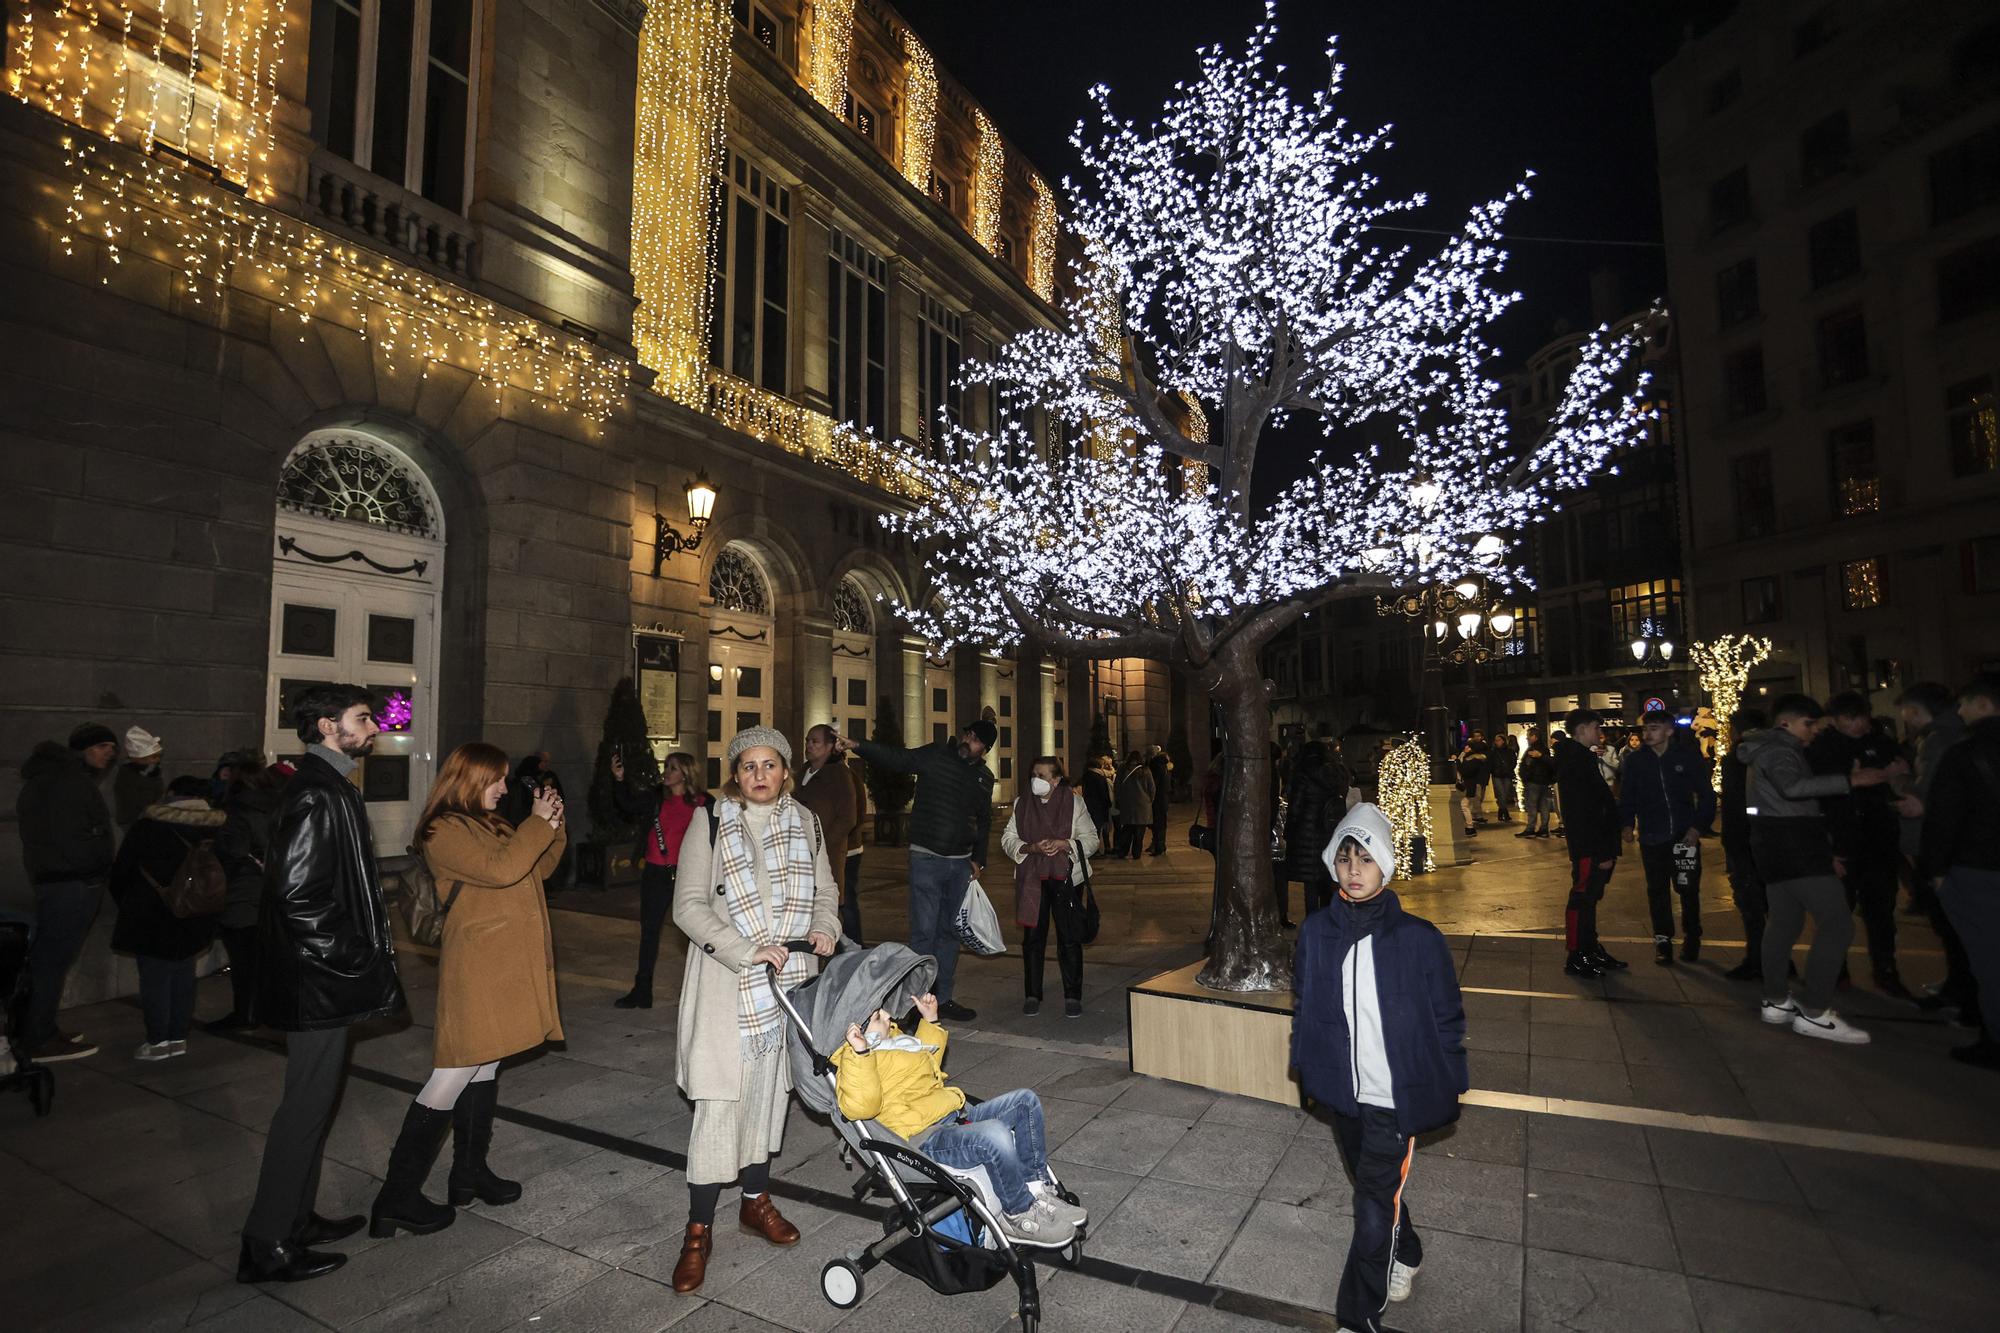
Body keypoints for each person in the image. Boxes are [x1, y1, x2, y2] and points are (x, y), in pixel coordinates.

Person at [239, 684, 404, 1284]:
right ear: (330, 726)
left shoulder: (326, 785)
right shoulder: (316, 792)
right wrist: (350, 955)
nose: (376, 729)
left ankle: (294, 1218)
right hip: (318, 981)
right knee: (304, 1110)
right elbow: (297, 895)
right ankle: (267, 1242)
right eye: (365, 719)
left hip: (319, 977)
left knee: (315, 1104)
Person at [370, 743, 569, 1239]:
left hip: (505, 964)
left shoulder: (494, 824)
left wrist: (555, 825)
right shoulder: (443, 830)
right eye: (495, 780)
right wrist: (537, 825)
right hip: (478, 966)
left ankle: (468, 1174)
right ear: (468, 779)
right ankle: (395, 1197)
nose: (504, 789)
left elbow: (535, 869)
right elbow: (502, 870)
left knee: (485, 1065)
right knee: (453, 1071)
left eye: (505, 780)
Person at [669, 726, 839, 1293]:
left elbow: (826, 890)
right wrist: (746, 952)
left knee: (770, 1098)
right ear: (735, 775)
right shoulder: (710, 821)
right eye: (748, 766)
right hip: (729, 984)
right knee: (719, 1107)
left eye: (770, 765)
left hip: (790, 983)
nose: (760, 775)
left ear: (786, 771)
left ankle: (754, 1201)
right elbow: (688, 906)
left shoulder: (807, 822)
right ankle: (697, 1230)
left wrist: (826, 927)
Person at [1291, 804, 1467, 1331]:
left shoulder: (1418, 937)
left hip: (1395, 1096)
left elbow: (1447, 1015)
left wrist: (1449, 1079)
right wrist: (1308, 1067)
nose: (1353, 869)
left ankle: (1357, 1317)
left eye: (1364, 858)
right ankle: (1407, 1250)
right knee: (1378, 1191)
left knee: (1370, 1206)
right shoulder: (1318, 931)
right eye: (1345, 857)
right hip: (1344, 1094)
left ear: (1384, 865)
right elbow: (1306, 1005)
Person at [832, 992, 1086, 1245]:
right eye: (878, 1016)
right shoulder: (855, 1062)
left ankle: (1035, 1190)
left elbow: (926, 1071)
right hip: (926, 1137)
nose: (888, 1016)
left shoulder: (894, 1040)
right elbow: (861, 1107)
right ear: (859, 1031)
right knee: (994, 1134)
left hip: (953, 1114)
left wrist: (930, 1022)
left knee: (1025, 1101)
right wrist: (860, 1054)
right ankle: (1017, 1215)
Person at [1737, 695, 1892, 1045]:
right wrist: (1851, 781)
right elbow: (1793, 790)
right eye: (1809, 724)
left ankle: (1776, 1000)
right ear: (1786, 723)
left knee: (1784, 923)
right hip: (1794, 847)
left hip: (1777, 845)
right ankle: (1815, 1011)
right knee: (1837, 923)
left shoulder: (1770, 747)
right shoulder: (1779, 749)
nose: (1813, 732)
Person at [841, 720, 994, 1021]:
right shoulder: (936, 754)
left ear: (985, 749)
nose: (967, 741)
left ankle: (943, 998)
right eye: (967, 733)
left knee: (950, 933)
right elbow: (898, 758)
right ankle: (914, 1002)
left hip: (960, 863)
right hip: (927, 859)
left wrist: (979, 859)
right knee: (924, 932)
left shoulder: (984, 778)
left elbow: (985, 819)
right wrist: (858, 745)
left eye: (975, 740)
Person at [15, 721, 120, 1063]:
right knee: (51, 962)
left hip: (62, 880)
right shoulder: (67, 782)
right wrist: (98, 863)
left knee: (50, 961)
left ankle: (38, 1027)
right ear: (84, 749)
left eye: (112, 747)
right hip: (72, 882)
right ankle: (39, 1036)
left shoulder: (52, 780)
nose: (110, 753)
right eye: (104, 746)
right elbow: (71, 837)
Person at [108, 775, 223, 1060]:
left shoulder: (149, 826)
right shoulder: (217, 828)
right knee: (184, 974)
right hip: (197, 912)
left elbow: (121, 871)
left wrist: (129, 902)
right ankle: (178, 1037)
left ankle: (158, 1040)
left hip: (152, 912)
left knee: (155, 977)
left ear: (171, 793)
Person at [1810, 693, 1912, 999]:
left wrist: (1893, 780)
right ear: (1835, 719)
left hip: (1879, 838)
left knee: (1881, 910)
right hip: (1839, 839)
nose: (1857, 725)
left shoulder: (1881, 742)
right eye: (1849, 718)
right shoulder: (1822, 747)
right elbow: (1815, 791)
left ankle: (1885, 969)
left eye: (1861, 718)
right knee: (1836, 913)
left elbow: (1901, 776)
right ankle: (1835, 970)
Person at [1921, 673, 2000, 1067]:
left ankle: (1994, 1038)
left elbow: (1943, 817)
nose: (1961, 712)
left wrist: (1935, 869)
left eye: (1966, 704)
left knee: (1988, 958)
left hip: (1976, 867)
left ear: (1985, 705)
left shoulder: (1964, 752)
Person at [1896, 682, 1975, 1018]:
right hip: (1966, 845)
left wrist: (1896, 780)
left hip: (1945, 846)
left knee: (1953, 926)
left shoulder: (1938, 740)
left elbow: (1921, 800)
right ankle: (1962, 988)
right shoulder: (1959, 736)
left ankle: (1965, 996)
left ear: (1914, 710)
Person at [608, 749, 709, 1009]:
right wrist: (619, 780)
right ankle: (642, 990)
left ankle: (701, 991)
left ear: (685, 773)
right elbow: (628, 805)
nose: (667, 772)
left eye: (673, 768)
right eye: (667, 767)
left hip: (688, 874)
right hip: (655, 872)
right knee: (649, 932)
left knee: (695, 933)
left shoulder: (703, 803)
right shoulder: (655, 798)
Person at [1001, 756, 1099, 1017]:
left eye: (1042, 776)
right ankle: (1032, 993)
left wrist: (1065, 844)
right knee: (1033, 939)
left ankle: (1072, 995)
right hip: (1032, 880)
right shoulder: (1022, 803)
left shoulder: (1074, 802)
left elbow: (1091, 840)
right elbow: (1008, 838)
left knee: (1069, 937)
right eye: (1034, 774)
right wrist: (1029, 847)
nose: (1036, 780)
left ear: (1056, 780)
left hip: (1066, 879)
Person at [1618, 710, 1716, 966]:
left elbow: (1706, 795)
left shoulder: (1686, 757)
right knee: (1657, 891)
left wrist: (1697, 827)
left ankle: (1692, 937)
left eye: (1654, 728)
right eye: (1646, 728)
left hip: (1684, 837)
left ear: (1669, 731)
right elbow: (1627, 795)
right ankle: (1663, 941)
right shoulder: (1636, 761)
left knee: (1688, 889)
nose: (1647, 734)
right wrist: (1627, 824)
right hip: (1652, 837)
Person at [209, 755, 288, 1033]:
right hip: (273, 893)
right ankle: (266, 1011)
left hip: (242, 895)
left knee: (244, 963)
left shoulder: (236, 812)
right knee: (265, 961)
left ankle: (247, 1014)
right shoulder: (280, 806)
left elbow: (231, 854)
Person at [1556, 709, 1624, 977]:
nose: (1600, 733)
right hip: (1589, 846)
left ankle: (1589, 947)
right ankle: (1577, 953)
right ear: (1582, 730)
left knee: (1591, 897)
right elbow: (1585, 811)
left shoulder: (1582, 758)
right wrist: (1602, 849)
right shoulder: (1575, 762)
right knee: (1582, 896)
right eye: (1596, 728)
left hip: (1595, 843)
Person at [796, 724, 863, 944]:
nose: (809, 746)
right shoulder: (803, 771)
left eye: (815, 741)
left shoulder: (839, 774)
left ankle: (852, 947)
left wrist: (822, 845)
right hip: (801, 851)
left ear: (829, 746)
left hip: (832, 852)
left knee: (840, 902)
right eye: (807, 741)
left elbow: (848, 818)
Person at [1719, 709, 1768, 981]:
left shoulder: (1738, 758)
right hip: (1770, 836)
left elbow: (1736, 804)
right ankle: (1776, 957)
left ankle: (1758, 959)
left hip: (1744, 838)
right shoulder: (1777, 752)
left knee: (1751, 903)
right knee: (1770, 901)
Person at [1282, 744, 1344, 924]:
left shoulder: (1303, 776)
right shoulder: (1333, 775)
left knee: (1310, 883)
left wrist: (1290, 829)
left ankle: (1312, 921)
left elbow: (1295, 808)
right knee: (1327, 878)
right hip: (1329, 832)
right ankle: (1328, 917)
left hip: (1306, 834)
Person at [114, 726, 167, 828]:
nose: (157, 760)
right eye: (154, 757)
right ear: (139, 759)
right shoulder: (128, 776)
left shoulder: (153, 772)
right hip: (135, 823)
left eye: (159, 756)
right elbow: (137, 803)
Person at [1113, 751, 1154, 861]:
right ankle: (1136, 853)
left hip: (1127, 805)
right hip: (1143, 806)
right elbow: (1152, 789)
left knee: (1127, 829)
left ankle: (1122, 851)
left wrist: (1119, 799)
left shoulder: (1122, 769)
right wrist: (1149, 801)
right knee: (1139, 831)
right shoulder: (1145, 770)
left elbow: (1116, 786)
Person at [1517, 730, 1556, 839]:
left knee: (1532, 806)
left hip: (1534, 781)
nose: (1527, 738)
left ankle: (1531, 828)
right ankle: (1543, 829)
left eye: (1528, 736)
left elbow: (1527, 765)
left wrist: (1525, 778)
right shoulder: (1545, 750)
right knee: (1544, 805)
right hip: (1543, 782)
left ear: (1534, 736)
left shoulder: (1533, 750)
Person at [1080, 753, 1116, 853]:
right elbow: (1103, 794)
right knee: (1099, 828)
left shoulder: (1086, 776)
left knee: (1094, 829)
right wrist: (1108, 804)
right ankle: (1097, 849)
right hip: (1099, 807)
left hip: (1089, 805)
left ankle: (1095, 850)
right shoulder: (1099, 778)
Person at [1456, 733, 1490, 835]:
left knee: (1464, 806)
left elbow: (1464, 770)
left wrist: (1458, 761)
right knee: (1466, 806)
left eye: (1467, 746)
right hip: (1468, 785)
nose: (1465, 748)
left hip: (1469, 786)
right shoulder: (1470, 758)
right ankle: (1469, 826)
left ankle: (1470, 827)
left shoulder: (1474, 760)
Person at [1146, 744, 1173, 855]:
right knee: (1161, 823)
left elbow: (1153, 784)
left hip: (1157, 798)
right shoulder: (1166, 766)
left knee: (1157, 823)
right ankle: (1160, 845)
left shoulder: (1155, 765)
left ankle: (1158, 846)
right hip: (1164, 798)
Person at [1491, 733, 1520, 824]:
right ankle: (1505, 812)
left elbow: (1513, 761)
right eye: (1495, 740)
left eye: (1498, 740)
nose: (1496, 742)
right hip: (1497, 775)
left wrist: (1509, 768)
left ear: (1503, 741)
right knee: (1500, 792)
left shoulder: (1509, 751)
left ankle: (1501, 810)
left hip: (1507, 774)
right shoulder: (1493, 752)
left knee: (1505, 793)